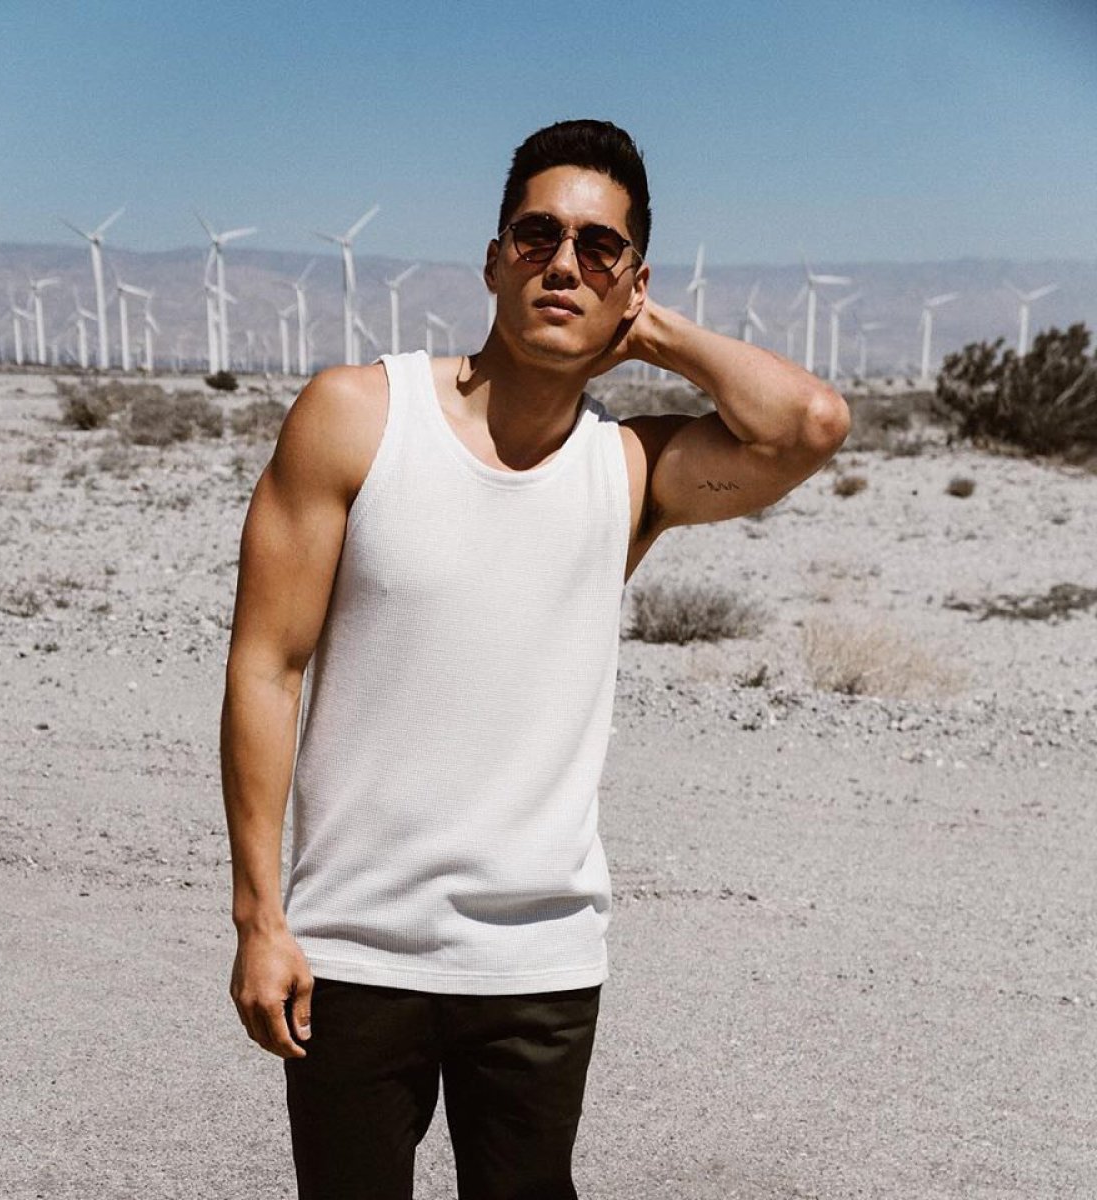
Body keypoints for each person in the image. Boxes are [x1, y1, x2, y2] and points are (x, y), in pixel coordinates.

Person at [220, 118, 850, 1199]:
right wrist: (258, 918)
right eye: (537, 235)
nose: (563, 263)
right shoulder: (357, 417)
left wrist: (657, 334)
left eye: (599, 249)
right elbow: (265, 669)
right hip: (353, 948)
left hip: (540, 964)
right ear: (493, 258)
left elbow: (811, 425)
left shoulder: (631, 471)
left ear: (633, 283)